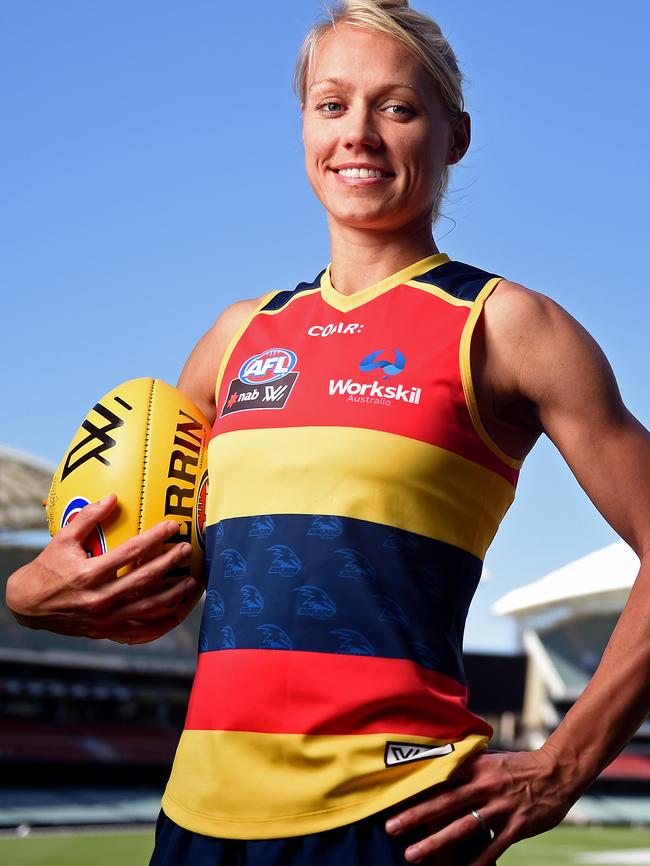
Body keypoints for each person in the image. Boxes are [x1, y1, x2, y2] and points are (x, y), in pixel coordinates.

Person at [6, 1, 650, 863]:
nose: (360, 134)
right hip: (198, 821)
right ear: (305, 125)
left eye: (398, 107)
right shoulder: (238, 337)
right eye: (332, 104)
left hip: (397, 820)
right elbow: (151, 579)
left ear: (454, 135)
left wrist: (566, 762)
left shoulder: (507, 328)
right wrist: (30, 596)